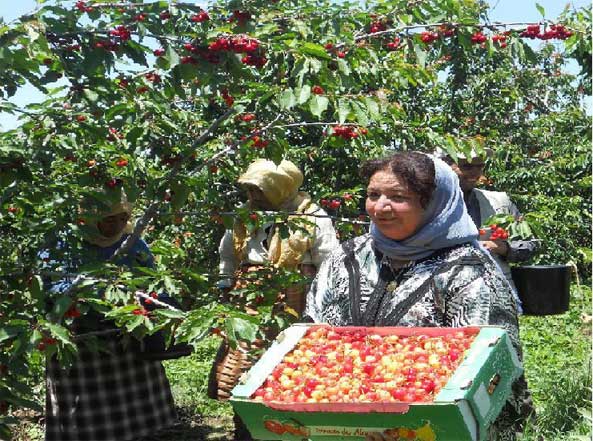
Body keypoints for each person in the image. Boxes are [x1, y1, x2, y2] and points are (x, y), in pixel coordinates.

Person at [305, 151, 533, 440]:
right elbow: (313, 334)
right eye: (373, 195)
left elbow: (486, 370)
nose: (380, 207)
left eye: (398, 197)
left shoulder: (468, 270)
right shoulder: (348, 257)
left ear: (434, 204)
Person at [213, 158, 338, 440]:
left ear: (279, 188)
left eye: (259, 190)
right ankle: (246, 425)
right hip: (250, 295)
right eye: (251, 190)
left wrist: (323, 301)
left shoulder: (310, 215)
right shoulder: (244, 216)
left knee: (292, 358)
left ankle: (294, 427)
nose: (253, 197)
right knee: (245, 355)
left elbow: (330, 260)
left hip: (296, 293)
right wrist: (225, 284)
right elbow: (228, 255)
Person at [42, 189, 177, 441]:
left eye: (122, 218)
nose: (116, 225)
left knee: (134, 415)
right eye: (108, 219)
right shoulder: (64, 245)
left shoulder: (132, 243)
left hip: (127, 338)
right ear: (89, 219)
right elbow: (52, 288)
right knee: (84, 422)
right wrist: (95, 292)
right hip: (82, 343)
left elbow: (153, 281)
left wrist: (165, 307)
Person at [435, 147, 539, 301]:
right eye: (467, 166)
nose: (475, 173)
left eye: (480, 166)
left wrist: (504, 248)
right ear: (446, 166)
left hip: (498, 296)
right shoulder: (429, 205)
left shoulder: (500, 202)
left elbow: (531, 243)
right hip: (445, 295)